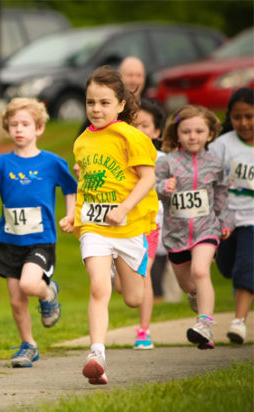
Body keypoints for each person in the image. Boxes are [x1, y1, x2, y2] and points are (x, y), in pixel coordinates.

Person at [0, 97, 77, 367]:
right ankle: (28, 344)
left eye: (25, 124)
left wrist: (71, 214)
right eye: (14, 125)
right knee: (16, 300)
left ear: (39, 128)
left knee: (29, 285)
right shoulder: (0, 164)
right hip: (9, 241)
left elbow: (71, 188)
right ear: (7, 129)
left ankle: (47, 293)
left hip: (40, 241)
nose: (19, 129)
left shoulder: (52, 163)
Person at [72, 66, 159, 385]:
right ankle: (96, 354)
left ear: (121, 104)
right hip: (95, 227)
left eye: (105, 103)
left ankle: (117, 268)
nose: (96, 109)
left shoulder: (132, 137)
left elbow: (148, 178)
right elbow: (86, 185)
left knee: (133, 298)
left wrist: (123, 208)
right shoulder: (82, 142)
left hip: (130, 227)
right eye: (90, 102)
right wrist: (74, 215)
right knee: (98, 286)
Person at [156, 105, 231, 349]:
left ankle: (205, 324)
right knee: (189, 285)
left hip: (206, 229)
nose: (192, 136)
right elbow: (152, 188)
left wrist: (225, 221)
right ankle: (196, 301)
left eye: (199, 131)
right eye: (186, 131)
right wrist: (163, 187)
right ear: (177, 134)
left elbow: (221, 193)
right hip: (175, 234)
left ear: (210, 134)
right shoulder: (168, 162)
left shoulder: (215, 163)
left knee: (201, 271)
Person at [211, 87, 254, 344]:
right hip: (226, 219)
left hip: (252, 220)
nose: (244, 123)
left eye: (249, 116)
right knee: (227, 268)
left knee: (245, 266)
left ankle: (239, 322)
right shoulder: (222, 146)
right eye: (238, 117)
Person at [126, 98, 168, 350]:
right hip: (120, 226)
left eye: (145, 126)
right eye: (134, 125)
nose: (139, 130)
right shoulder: (120, 154)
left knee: (144, 276)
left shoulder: (162, 160)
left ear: (156, 132)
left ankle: (144, 331)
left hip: (150, 225)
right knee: (124, 286)